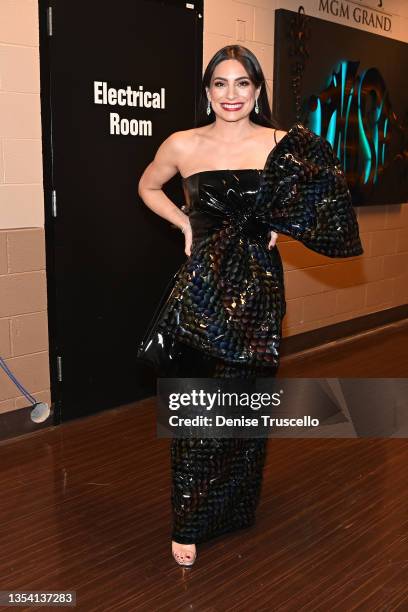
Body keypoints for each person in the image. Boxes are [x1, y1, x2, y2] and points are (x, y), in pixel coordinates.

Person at [137, 45, 363, 568]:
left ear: (258, 91)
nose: (231, 94)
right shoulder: (182, 143)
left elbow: (326, 199)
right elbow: (147, 186)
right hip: (203, 288)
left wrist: (286, 223)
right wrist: (186, 223)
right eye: (220, 83)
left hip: (259, 290)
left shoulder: (283, 144)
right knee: (197, 407)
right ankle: (189, 521)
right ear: (207, 91)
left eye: (243, 84)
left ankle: (233, 505)